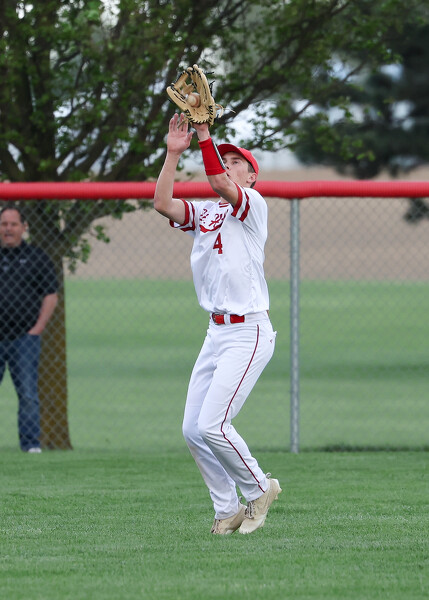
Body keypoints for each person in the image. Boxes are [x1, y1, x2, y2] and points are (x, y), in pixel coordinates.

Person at [154, 113, 282, 535]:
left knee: (213, 424)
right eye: (223, 159)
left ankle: (260, 488)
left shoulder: (253, 205)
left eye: (236, 162)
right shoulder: (208, 213)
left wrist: (205, 134)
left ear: (252, 176)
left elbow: (219, 183)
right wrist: (173, 153)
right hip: (216, 332)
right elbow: (163, 204)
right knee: (193, 429)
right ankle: (227, 508)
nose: (227, 165)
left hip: (249, 330)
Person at [0, 204, 58, 453]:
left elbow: (51, 295)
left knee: (27, 394)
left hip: (25, 338)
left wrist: (38, 328)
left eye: (13, 224)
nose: (8, 229)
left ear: (24, 227)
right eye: (4, 224)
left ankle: (31, 444)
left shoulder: (37, 257)